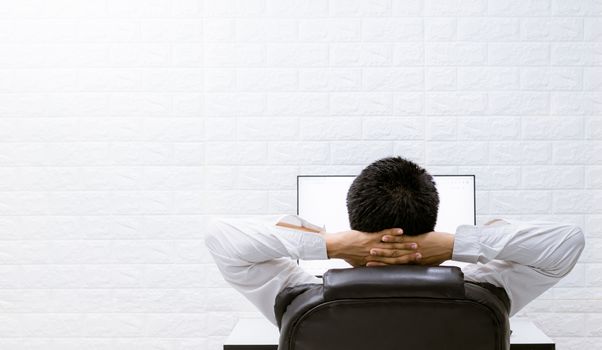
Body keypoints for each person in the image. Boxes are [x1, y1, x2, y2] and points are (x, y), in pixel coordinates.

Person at [205, 156, 585, 326]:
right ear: (432, 221)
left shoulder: (296, 294)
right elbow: (567, 242)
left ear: (353, 223)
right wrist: (455, 246)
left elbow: (220, 237)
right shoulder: (485, 289)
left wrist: (331, 246)